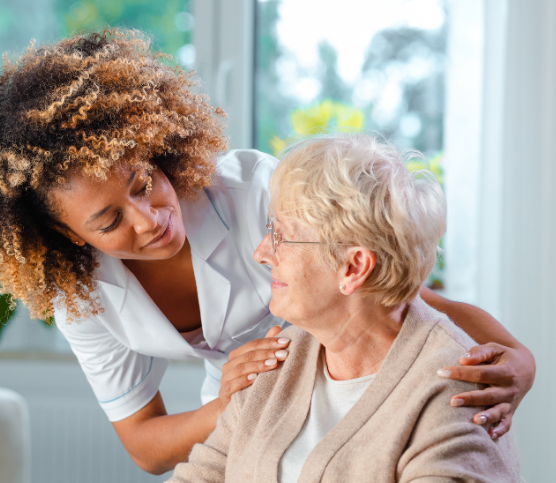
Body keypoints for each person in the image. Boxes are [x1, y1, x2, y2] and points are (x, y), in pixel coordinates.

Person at [0, 30, 534, 474]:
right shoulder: (83, 294)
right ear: (74, 238)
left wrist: (518, 358)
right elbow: (148, 445)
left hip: (349, 372)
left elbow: (395, 290)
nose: (151, 219)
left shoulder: (254, 192)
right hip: (252, 400)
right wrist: (233, 400)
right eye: (109, 221)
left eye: (144, 182)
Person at [168, 134, 522, 483]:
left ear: (353, 268)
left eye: (280, 236)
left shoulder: (454, 395)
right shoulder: (276, 361)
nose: (261, 252)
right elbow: (204, 473)